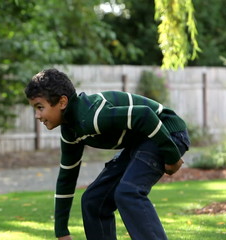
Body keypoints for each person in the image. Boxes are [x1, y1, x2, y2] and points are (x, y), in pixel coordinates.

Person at [25, 68, 190, 240]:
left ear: (62, 102)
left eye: (40, 107)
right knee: (93, 201)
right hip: (140, 142)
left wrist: (171, 156)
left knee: (128, 192)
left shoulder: (92, 115)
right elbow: (66, 178)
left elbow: (146, 116)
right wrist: (62, 231)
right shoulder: (71, 131)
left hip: (168, 133)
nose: (37, 115)